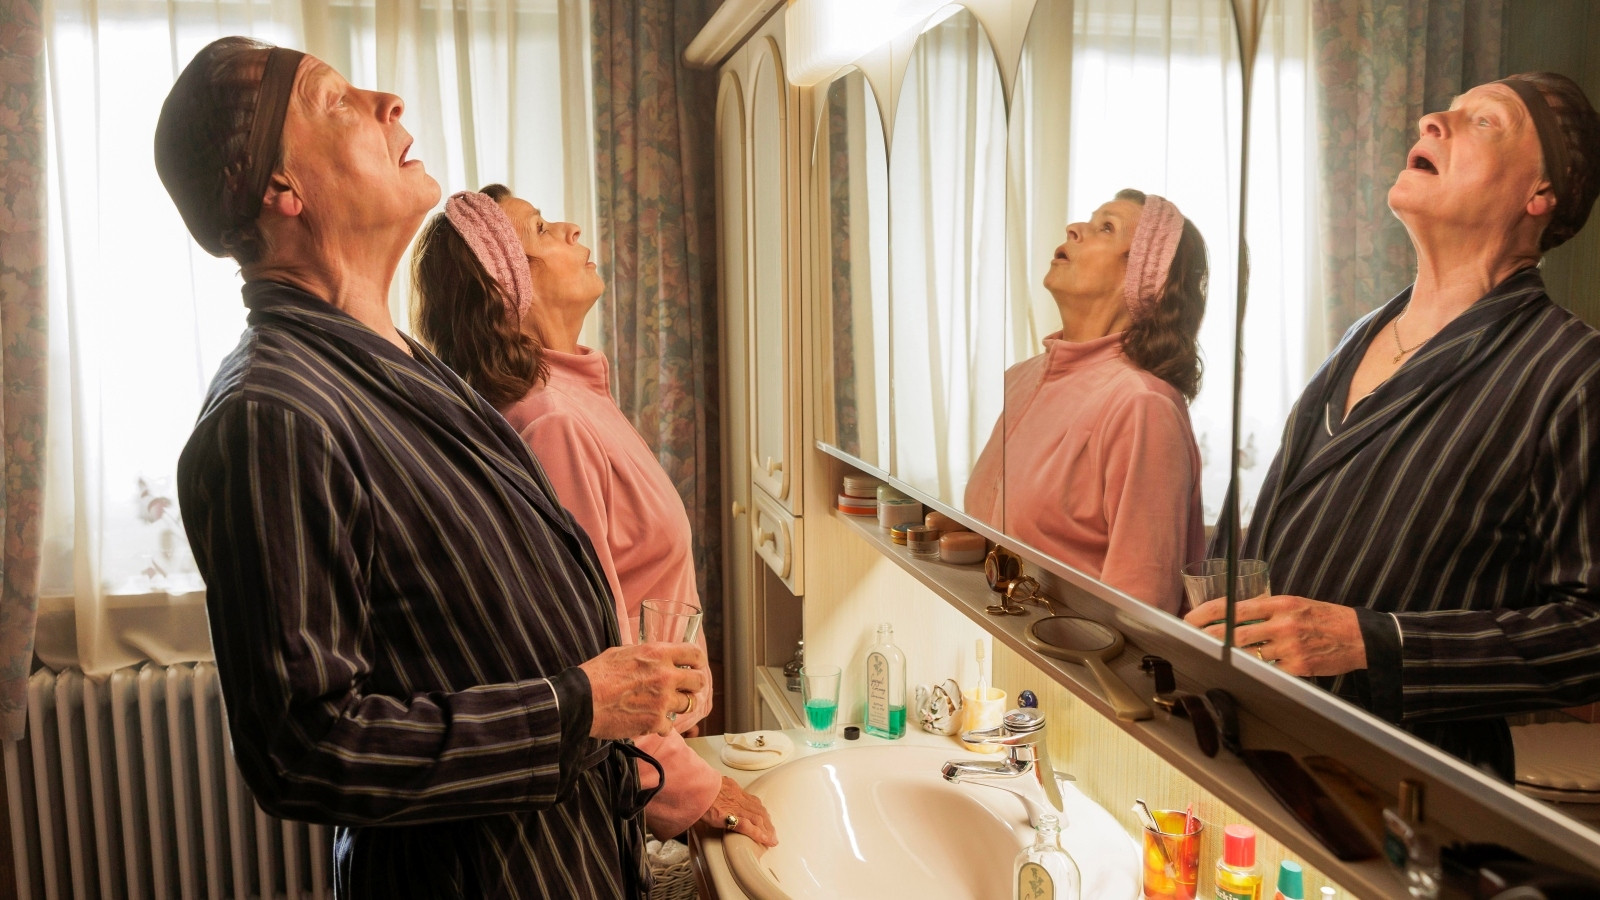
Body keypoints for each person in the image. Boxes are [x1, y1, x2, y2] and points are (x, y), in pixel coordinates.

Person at [156, 37, 705, 899]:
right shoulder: (273, 415)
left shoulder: (407, 364)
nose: (389, 103)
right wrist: (577, 707)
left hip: (570, 859)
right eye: (338, 101)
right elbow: (304, 750)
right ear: (281, 188)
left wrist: (616, 700)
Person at [1184, 73, 1600, 782]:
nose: (1433, 119)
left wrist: (1375, 643)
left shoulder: (1572, 371)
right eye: (1447, 109)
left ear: (1540, 193)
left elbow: (1591, 632)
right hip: (1257, 753)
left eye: (1484, 121)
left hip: (1409, 791)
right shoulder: (1359, 336)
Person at [410, 185, 777, 847]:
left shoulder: (573, 396)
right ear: (504, 288)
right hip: (620, 774)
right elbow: (588, 649)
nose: (573, 229)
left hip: (649, 748)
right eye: (541, 229)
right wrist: (690, 789)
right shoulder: (551, 422)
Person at [965, 190, 1208, 614]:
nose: (1073, 228)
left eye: (1105, 228)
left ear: (1144, 278)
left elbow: (1141, 607)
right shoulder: (1020, 379)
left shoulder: (1142, 407)